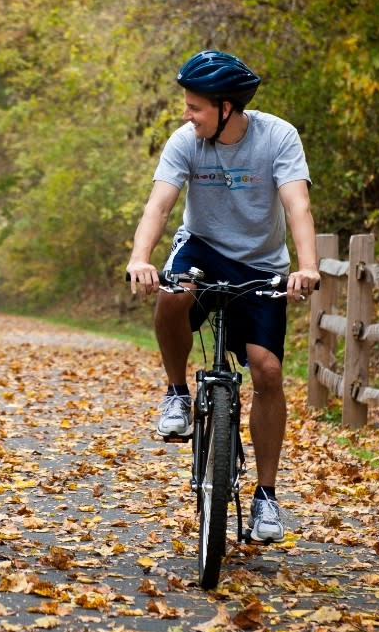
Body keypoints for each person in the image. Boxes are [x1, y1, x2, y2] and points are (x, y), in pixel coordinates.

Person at [125, 50, 319, 543]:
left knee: (267, 371)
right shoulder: (185, 142)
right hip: (202, 249)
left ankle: (267, 498)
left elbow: (297, 204)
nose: (187, 116)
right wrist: (140, 257)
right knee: (172, 292)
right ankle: (175, 393)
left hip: (261, 264)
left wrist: (308, 266)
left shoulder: (278, 137)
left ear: (227, 108)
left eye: (196, 107)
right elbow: (160, 204)